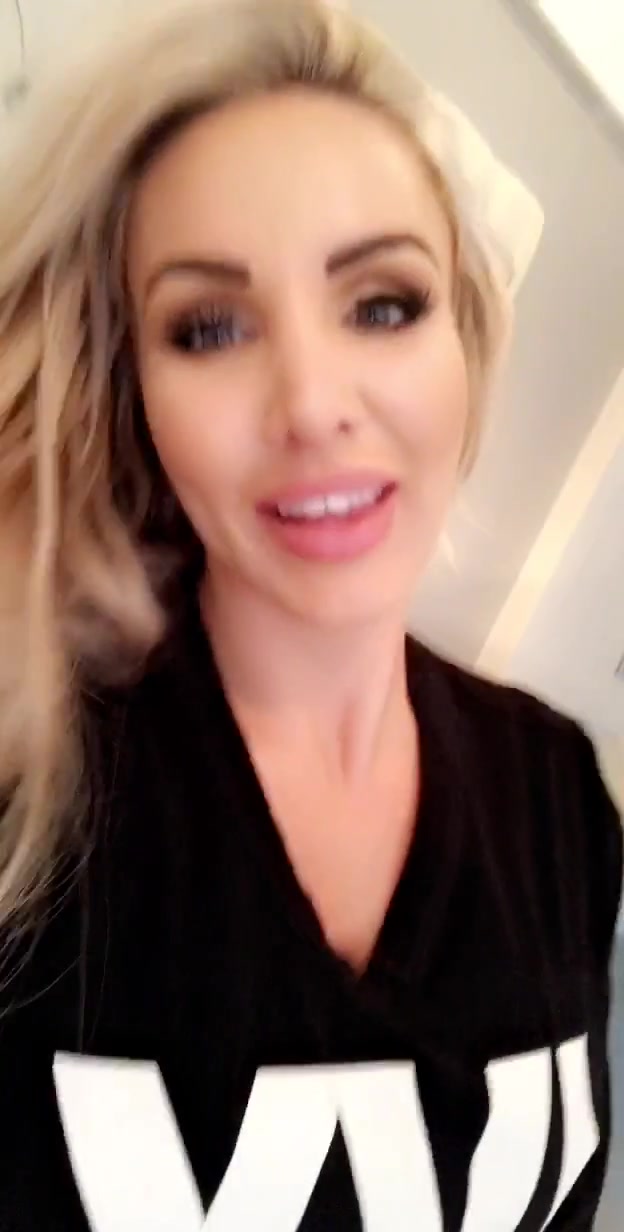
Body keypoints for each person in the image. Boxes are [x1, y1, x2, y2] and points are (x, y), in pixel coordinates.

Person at [0, 0, 621, 1228]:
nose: (311, 402)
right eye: (209, 327)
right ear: (131, 389)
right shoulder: (30, 795)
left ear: (465, 344)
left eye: (383, 304)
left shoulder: (561, 795)